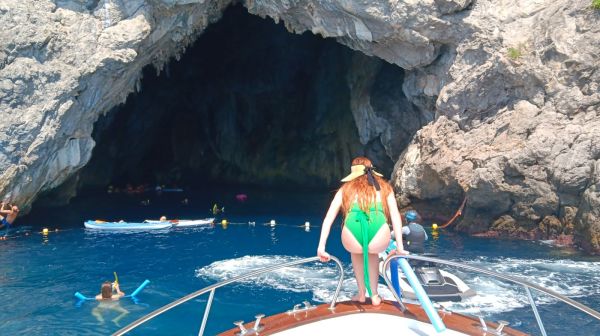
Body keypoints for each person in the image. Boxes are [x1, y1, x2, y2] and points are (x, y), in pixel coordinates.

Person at [317, 157, 408, 306]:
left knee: (356, 253)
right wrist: (400, 247)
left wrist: (321, 247)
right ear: (372, 169)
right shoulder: (384, 188)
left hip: (351, 234)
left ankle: (361, 293)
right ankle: (374, 295)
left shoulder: (345, 189)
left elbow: (329, 218)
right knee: (373, 253)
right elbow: (395, 216)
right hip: (378, 232)